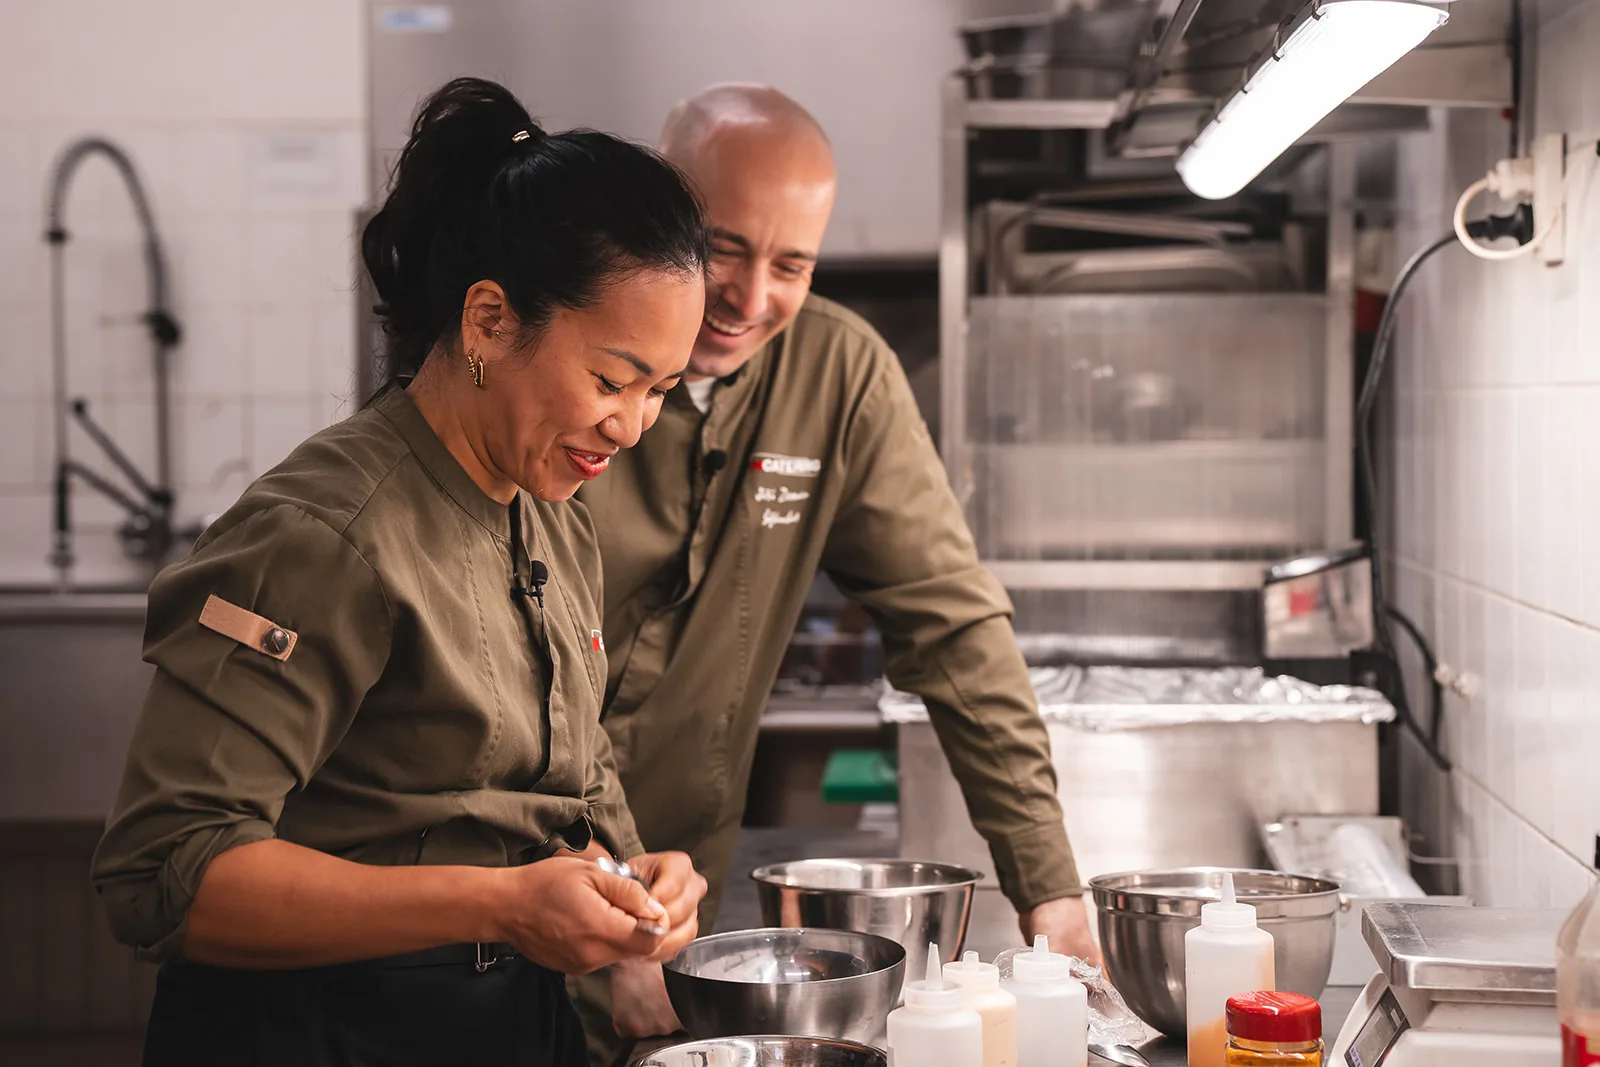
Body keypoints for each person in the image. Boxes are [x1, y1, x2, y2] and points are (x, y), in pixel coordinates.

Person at [90, 77, 712, 1067]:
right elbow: (163, 872)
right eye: (609, 378)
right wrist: (500, 903)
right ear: (487, 321)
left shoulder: (551, 517)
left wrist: (628, 885)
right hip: (318, 1033)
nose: (631, 425)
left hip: (508, 1026)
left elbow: (556, 782)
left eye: (661, 390)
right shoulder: (324, 534)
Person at [571, 84, 1098, 1062]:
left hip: (667, 916)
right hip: (495, 899)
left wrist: (1049, 887)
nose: (750, 295)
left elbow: (952, 624)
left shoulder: (838, 374)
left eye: (792, 263)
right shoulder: (560, 359)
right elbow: (518, 686)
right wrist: (614, 912)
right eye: (722, 246)